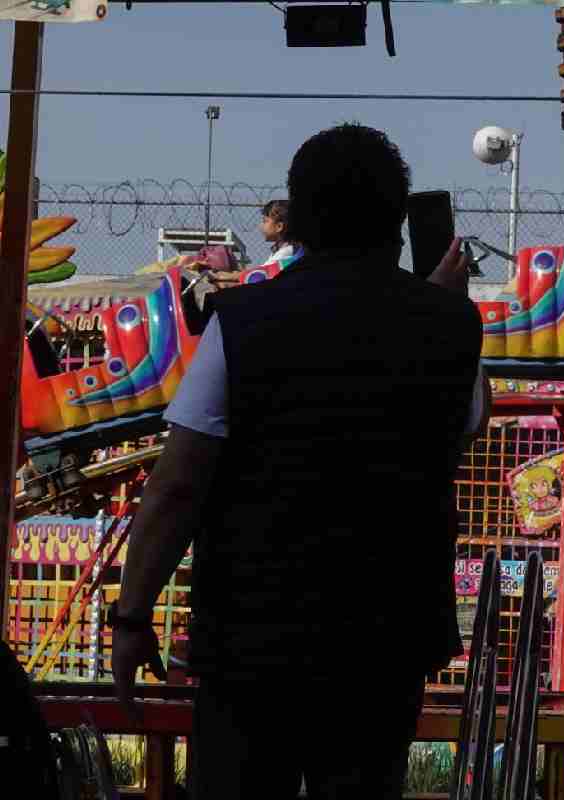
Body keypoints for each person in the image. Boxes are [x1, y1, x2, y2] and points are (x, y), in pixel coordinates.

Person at [110, 123, 490, 800]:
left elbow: (177, 486)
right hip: (383, 646)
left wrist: (133, 615)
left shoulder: (244, 318)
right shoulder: (452, 326)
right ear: (397, 219)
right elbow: (453, 435)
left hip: (253, 643)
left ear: (301, 216)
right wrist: (436, 304)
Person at [260, 199, 298, 266]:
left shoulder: (286, 253)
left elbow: (263, 274)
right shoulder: (280, 249)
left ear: (279, 227)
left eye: (265, 221)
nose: (261, 225)